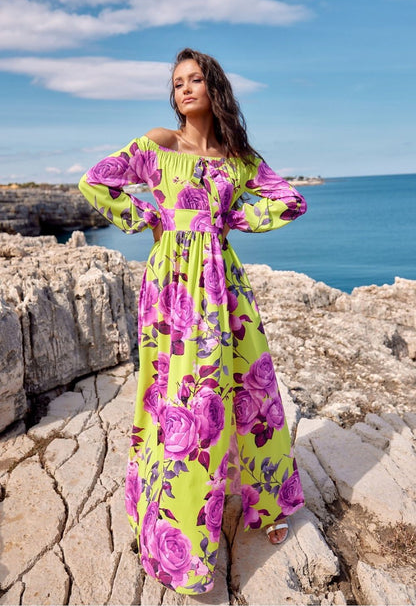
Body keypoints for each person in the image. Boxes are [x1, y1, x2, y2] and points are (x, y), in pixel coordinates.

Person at [78, 48, 307, 595]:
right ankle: (179, 536)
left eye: (194, 79)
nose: (184, 88)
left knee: (255, 390)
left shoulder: (237, 155)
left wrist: (229, 217)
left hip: (224, 286)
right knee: (185, 405)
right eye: (177, 81)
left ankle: (267, 501)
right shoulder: (159, 141)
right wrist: (149, 217)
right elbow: (94, 182)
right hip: (174, 290)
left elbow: (289, 200)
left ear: (214, 87)